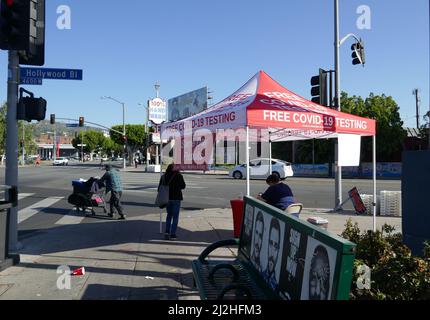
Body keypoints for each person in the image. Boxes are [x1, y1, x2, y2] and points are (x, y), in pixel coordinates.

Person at [159, 164, 186, 240]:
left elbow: (159, 188)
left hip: (167, 198)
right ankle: (173, 234)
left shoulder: (164, 176)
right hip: (176, 198)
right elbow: (183, 186)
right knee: (175, 216)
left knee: (169, 215)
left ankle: (167, 231)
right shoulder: (178, 176)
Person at [263, 218, 281, 292]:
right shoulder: (262, 274)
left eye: (276, 246)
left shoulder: (278, 287)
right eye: (271, 243)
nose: (272, 252)